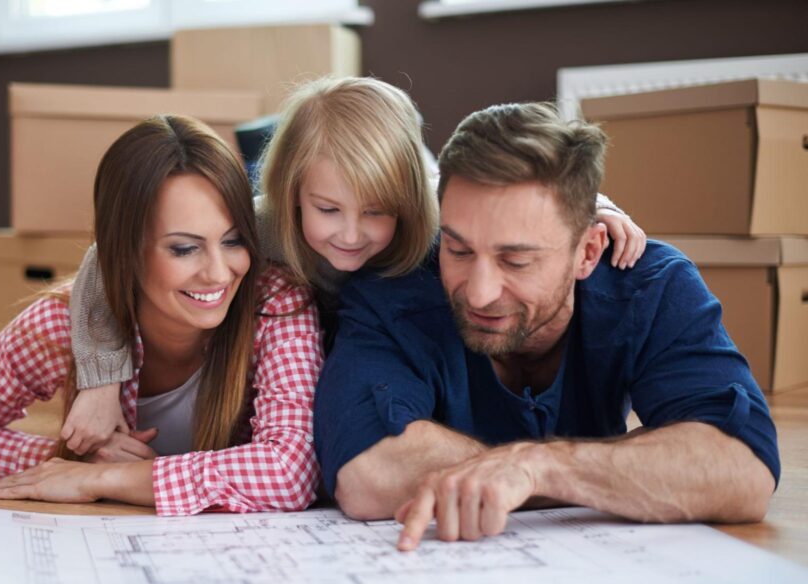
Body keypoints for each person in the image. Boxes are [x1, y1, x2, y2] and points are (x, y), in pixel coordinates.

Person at [60, 76, 647, 458]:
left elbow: (527, 197)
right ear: (292, 192)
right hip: (298, 365)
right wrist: (100, 377)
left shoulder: (434, 205)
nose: (350, 234)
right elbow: (101, 259)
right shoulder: (261, 225)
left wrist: (599, 205)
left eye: (376, 212)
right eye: (327, 210)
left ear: (407, 199)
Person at [314, 102, 779, 550]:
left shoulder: (651, 284)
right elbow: (368, 475)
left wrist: (538, 467)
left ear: (588, 252)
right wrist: (617, 469)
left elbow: (741, 467)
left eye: (516, 260)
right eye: (457, 250)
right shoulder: (392, 289)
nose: (479, 293)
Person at [0, 115, 322, 515]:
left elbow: (289, 472)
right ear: (125, 252)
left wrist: (106, 480)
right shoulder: (59, 323)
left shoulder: (277, 304)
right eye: (183, 248)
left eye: (233, 241)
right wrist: (67, 459)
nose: (219, 273)